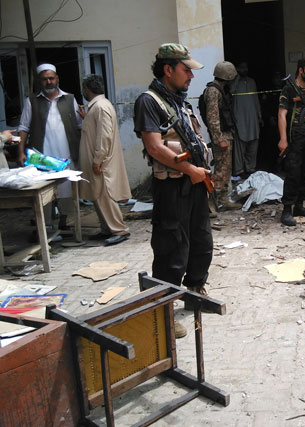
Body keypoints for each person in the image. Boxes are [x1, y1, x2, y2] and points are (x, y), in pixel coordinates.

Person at [133, 43, 213, 338]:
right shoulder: (149, 101)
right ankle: (162, 310)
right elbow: (154, 146)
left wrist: (199, 171)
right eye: (186, 69)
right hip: (172, 187)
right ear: (168, 69)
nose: (191, 75)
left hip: (194, 185)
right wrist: (191, 170)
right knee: (171, 248)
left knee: (201, 240)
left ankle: (194, 290)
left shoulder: (181, 101)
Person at [18, 63, 82, 230]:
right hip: (42, 155)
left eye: (51, 78)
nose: (48, 82)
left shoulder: (69, 99)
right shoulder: (32, 101)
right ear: (40, 81)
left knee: (68, 187)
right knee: (43, 189)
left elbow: (80, 126)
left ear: (57, 79)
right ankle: (45, 225)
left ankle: (65, 220)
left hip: (66, 152)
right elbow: (23, 128)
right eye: (45, 79)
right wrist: (21, 152)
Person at [78, 74, 131, 245]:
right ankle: (107, 228)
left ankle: (119, 229)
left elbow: (104, 136)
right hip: (98, 161)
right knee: (97, 196)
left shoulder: (100, 107)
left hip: (101, 163)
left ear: (87, 89)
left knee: (105, 196)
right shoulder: (97, 107)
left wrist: (97, 160)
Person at [277, 57, 305, 226]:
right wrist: (283, 139)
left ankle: (299, 205)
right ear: (301, 70)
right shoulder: (289, 89)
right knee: (293, 173)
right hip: (294, 137)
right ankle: (287, 209)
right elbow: (281, 114)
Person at [202, 61, 242, 211]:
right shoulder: (213, 91)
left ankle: (223, 200)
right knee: (219, 172)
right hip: (221, 137)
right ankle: (210, 204)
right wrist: (219, 139)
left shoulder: (220, 90)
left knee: (226, 171)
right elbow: (213, 118)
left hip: (227, 135)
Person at [231, 61, 262, 178]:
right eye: (242, 68)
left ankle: (250, 168)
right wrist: (236, 78)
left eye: (246, 68)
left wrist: (259, 115)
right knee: (240, 147)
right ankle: (239, 170)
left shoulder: (251, 81)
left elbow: (256, 99)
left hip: (253, 118)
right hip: (240, 119)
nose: (244, 70)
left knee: (253, 144)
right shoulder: (234, 82)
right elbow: (231, 92)